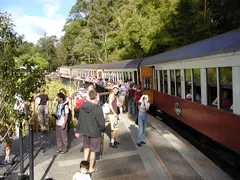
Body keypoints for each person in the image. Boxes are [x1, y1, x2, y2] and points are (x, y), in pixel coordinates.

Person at [75, 90, 105, 173]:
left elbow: (80, 119)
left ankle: (84, 167)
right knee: (93, 151)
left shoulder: (83, 106)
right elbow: (101, 123)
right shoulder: (97, 107)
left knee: (86, 148)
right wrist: (103, 129)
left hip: (85, 132)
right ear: (96, 97)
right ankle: (91, 168)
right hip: (95, 132)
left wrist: (78, 131)